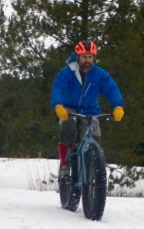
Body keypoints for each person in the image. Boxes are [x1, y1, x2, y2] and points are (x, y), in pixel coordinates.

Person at [51, 41, 125, 171]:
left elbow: (111, 89)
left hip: (90, 111)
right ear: (78, 56)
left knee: (95, 141)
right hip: (69, 109)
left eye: (90, 57)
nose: (88, 60)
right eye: (85, 57)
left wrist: (118, 106)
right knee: (68, 128)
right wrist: (58, 105)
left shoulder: (100, 74)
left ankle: (91, 175)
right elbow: (58, 87)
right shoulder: (68, 72)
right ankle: (65, 166)